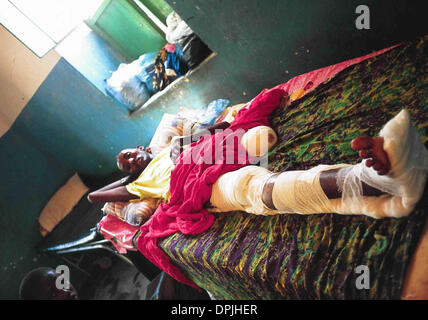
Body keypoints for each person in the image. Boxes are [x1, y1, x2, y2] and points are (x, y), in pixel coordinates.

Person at [88, 87, 428, 288]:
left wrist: (201, 138)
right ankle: (370, 178)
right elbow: (95, 197)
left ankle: (380, 176)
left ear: (142, 147)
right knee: (257, 191)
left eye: (131, 155)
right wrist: (128, 180)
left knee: (249, 139)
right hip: (195, 188)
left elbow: (212, 129)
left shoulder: (170, 148)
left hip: (208, 154)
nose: (132, 162)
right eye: (127, 164)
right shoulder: (140, 185)